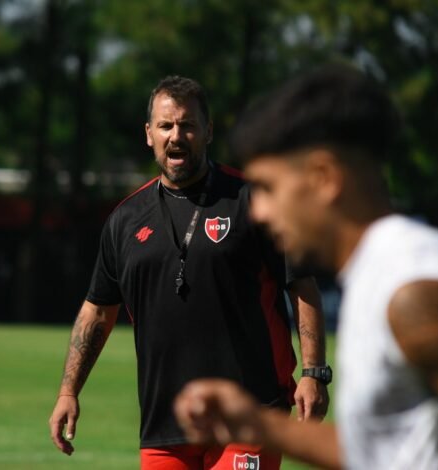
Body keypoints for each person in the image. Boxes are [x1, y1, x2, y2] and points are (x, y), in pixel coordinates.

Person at [174, 64, 438, 470]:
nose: (259, 211)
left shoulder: (412, 285)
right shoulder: (378, 274)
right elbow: (387, 454)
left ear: (323, 177)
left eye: (268, 187)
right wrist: (259, 423)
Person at [48, 75, 329, 470]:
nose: (176, 136)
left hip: (251, 414)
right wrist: (68, 392)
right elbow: (97, 311)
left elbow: (301, 284)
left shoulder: (253, 201)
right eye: (165, 125)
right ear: (149, 134)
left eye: (187, 125)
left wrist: (314, 371)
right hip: (164, 426)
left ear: (208, 131)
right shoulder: (124, 221)